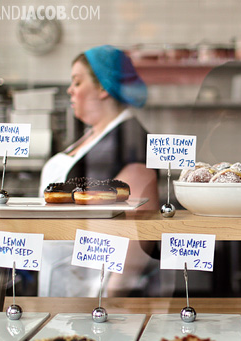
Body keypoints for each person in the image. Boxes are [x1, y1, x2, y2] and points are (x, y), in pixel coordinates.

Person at [38, 45, 160, 297]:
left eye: (77, 82)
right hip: (64, 280)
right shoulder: (93, 136)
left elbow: (137, 233)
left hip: (92, 292)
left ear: (103, 87)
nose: (70, 90)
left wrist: (110, 297)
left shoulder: (129, 139)